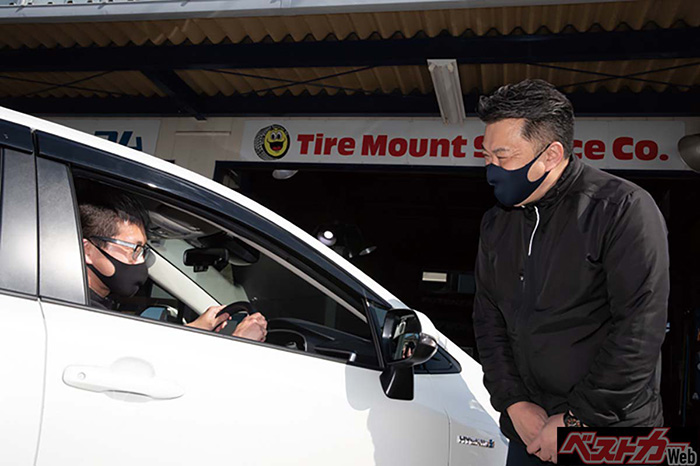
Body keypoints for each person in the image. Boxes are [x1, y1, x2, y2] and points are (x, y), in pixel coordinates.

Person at [472, 79, 669, 465]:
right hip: (530, 430)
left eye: (503, 156)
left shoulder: (622, 209)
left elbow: (639, 329)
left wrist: (577, 420)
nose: (491, 168)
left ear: (551, 154)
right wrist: (513, 402)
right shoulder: (497, 225)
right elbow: (487, 319)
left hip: (611, 434)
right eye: (486, 156)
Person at [80, 194, 267, 342]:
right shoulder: (83, 314)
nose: (141, 262)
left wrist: (198, 327)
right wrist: (239, 343)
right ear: (88, 250)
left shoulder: (91, 304)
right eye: (134, 249)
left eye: (143, 250)